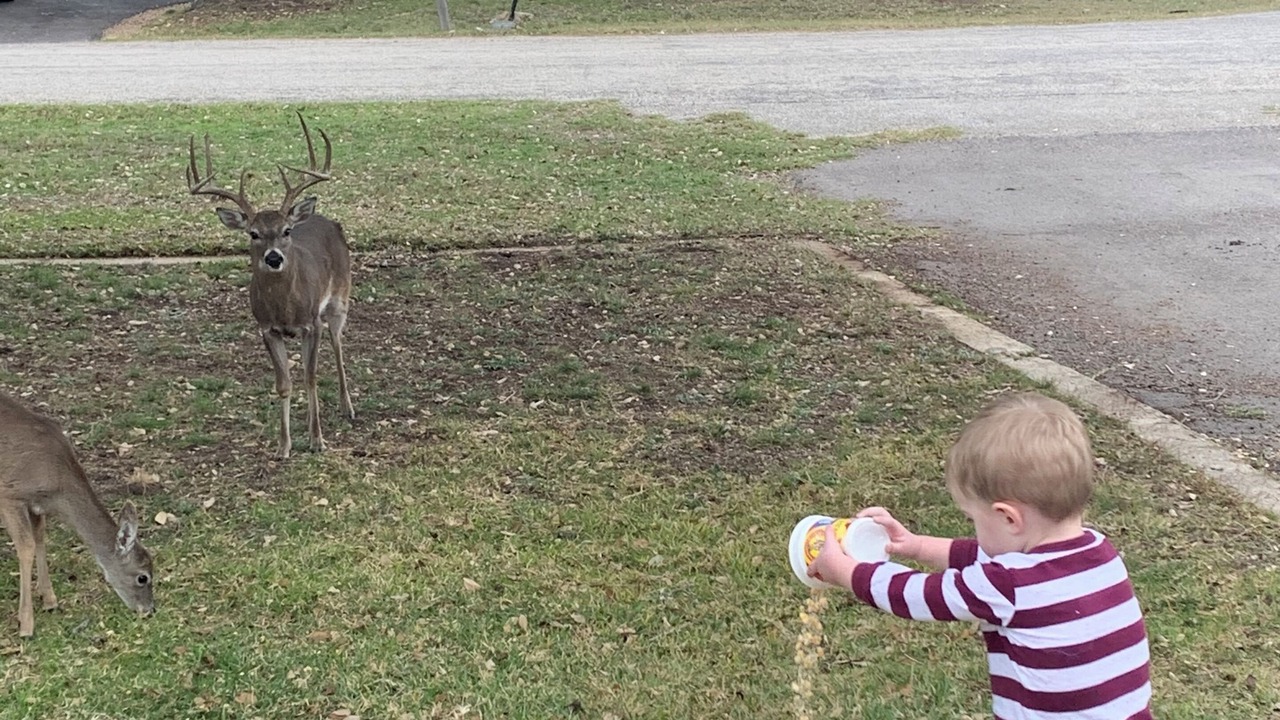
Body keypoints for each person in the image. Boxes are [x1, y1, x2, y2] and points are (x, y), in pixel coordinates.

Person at [808, 392, 1152, 719]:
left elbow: (917, 595)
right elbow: (984, 559)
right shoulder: (1099, 552)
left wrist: (846, 571)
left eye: (974, 519)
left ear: (1008, 518)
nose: (974, 530)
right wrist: (914, 546)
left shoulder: (1009, 584)